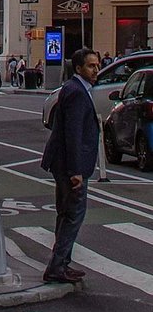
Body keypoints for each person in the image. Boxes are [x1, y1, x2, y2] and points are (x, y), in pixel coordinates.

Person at [40, 47, 100, 283]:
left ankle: (62, 263)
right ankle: (57, 266)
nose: (96, 69)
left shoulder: (75, 89)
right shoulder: (76, 91)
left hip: (63, 163)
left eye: (96, 65)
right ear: (78, 68)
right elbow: (73, 134)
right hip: (69, 165)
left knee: (66, 214)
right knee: (73, 215)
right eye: (91, 66)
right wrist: (76, 171)